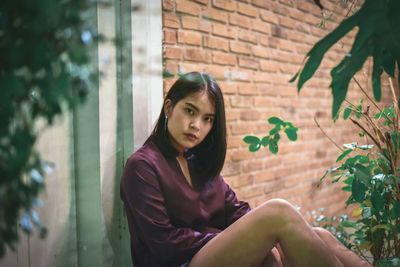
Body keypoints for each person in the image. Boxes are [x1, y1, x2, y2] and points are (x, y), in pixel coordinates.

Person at [120, 72, 371, 267]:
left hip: (210, 255)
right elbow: (162, 243)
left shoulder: (197, 160)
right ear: (168, 108)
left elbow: (235, 209)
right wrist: (233, 240)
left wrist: (262, 242)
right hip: (180, 262)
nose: (196, 125)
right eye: (189, 111)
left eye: (207, 119)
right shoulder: (143, 166)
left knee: (319, 235)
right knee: (278, 212)